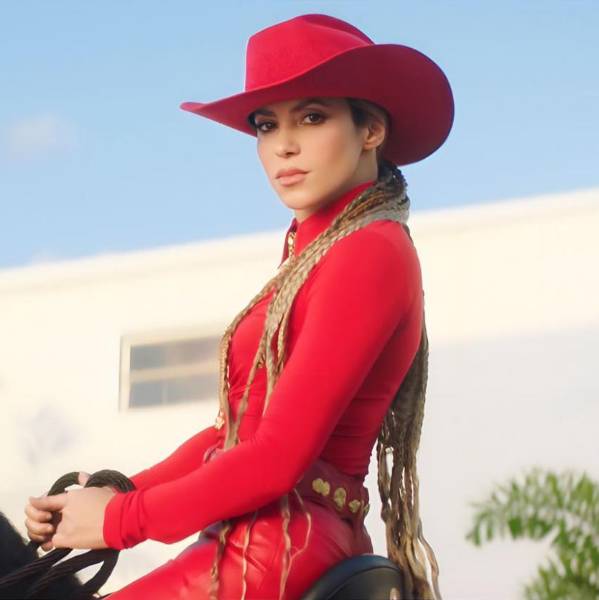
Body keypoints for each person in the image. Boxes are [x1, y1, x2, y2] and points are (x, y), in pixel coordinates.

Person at [24, 12, 454, 600]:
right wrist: (116, 496)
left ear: (371, 129)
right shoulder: (319, 253)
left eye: (312, 117)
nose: (284, 146)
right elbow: (231, 436)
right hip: (264, 535)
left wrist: (120, 519)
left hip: (282, 544)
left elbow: (275, 458)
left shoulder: (368, 251)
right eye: (266, 125)